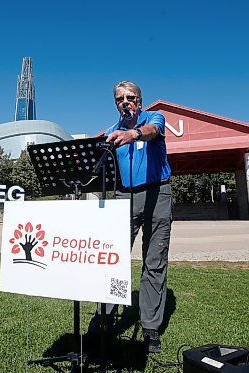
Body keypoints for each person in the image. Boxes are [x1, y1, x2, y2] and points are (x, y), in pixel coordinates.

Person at [88, 80, 173, 353]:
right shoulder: (112, 132)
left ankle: (150, 328)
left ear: (139, 100)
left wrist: (134, 134)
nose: (126, 102)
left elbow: (153, 131)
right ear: (116, 103)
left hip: (156, 193)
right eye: (120, 99)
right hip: (124, 195)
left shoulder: (153, 118)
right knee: (113, 259)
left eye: (131, 97)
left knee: (154, 261)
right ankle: (104, 319)